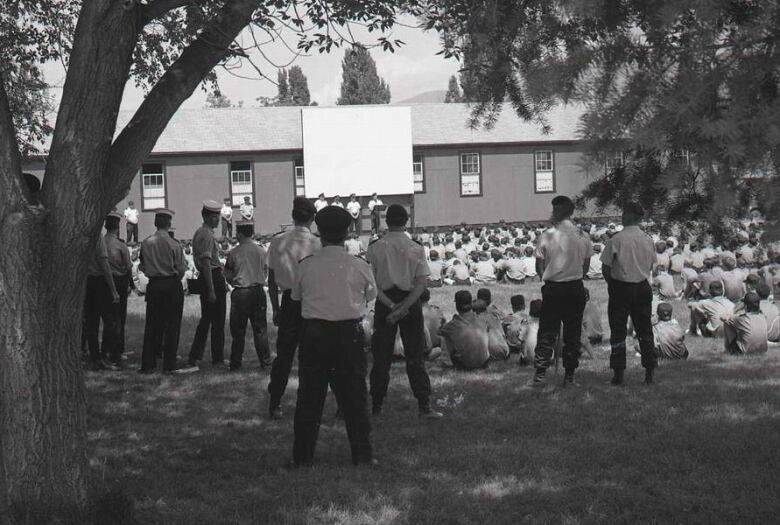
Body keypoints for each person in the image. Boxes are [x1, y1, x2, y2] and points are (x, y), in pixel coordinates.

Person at [291, 205, 377, 467]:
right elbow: (370, 296)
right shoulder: (358, 265)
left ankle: (302, 457)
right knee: (355, 395)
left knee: (309, 396)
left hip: (314, 333)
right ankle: (362, 456)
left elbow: (296, 297)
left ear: (319, 231)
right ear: (349, 230)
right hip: (348, 334)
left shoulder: (306, 266)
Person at [367, 204, 442, 418]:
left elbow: (372, 284)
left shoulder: (375, 247)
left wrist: (392, 307)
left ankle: (377, 405)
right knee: (415, 355)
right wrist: (405, 307)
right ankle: (424, 405)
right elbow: (421, 284)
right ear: (406, 221)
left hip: (385, 302)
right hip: (410, 303)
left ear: (385, 221)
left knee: (381, 356)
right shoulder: (416, 247)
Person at [267, 197, 321, 420]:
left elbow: (270, 280)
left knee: (284, 356)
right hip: (311, 301)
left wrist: (276, 308)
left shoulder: (278, 241)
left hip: (289, 300)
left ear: (293, 215)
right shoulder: (318, 243)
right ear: (313, 218)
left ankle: (275, 402)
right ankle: (308, 402)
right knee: (313, 356)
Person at [532, 196, 593, 386]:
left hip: (554, 288)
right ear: (571, 212)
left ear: (556, 211)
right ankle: (569, 377)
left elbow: (539, 267)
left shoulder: (547, 235)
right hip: (575, 287)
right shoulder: (583, 236)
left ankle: (540, 376)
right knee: (572, 333)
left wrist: (548, 279)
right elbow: (585, 267)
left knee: (547, 332)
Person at [601, 202, 657, 385]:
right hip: (642, 286)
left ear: (629, 216)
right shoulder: (648, 239)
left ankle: (619, 373)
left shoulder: (616, 239)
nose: (622, 217)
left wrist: (614, 284)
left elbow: (606, 268)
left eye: (624, 214)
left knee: (618, 331)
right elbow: (650, 265)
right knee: (645, 330)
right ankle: (649, 372)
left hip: (621, 287)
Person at [138, 209, 189, 373]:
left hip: (154, 285)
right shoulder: (174, 244)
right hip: (171, 284)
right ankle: (169, 364)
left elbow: (143, 267)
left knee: (152, 325)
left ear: (155, 223)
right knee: (172, 325)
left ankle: (148, 363)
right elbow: (181, 269)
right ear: (169, 224)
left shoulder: (146, 243)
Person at [184, 200, 227, 372]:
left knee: (207, 320)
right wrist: (211, 289)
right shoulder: (207, 235)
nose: (217, 219)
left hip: (210, 276)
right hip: (212, 278)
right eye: (213, 216)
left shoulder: (201, 232)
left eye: (218, 215)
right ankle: (217, 359)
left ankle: (195, 356)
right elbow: (207, 263)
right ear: (206, 217)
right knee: (217, 321)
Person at [224, 220, 271, 371]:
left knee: (238, 331)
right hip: (258, 291)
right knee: (260, 329)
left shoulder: (234, 252)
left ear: (240, 233)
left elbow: (228, 274)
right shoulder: (261, 251)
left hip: (241, 292)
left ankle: (236, 363)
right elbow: (266, 270)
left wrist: (235, 280)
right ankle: (265, 362)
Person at [83, 217, 121, 370]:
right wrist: (113, 290)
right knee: (110, 321)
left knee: (92, 323)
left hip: (87, 282)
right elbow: (104, 263)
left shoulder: (83, 234)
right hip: (99, 281)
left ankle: (94, 356)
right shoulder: (97, 236)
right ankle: (103, 355)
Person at [104, 211, 132, 363]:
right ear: (117, 227)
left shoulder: (101, 243)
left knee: (108, 317)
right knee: (119, 318)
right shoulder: (120, 246)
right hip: (119, 282)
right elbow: (128, 267)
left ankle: (106, 349)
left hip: (104, 282)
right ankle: (118, 350)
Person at [439, 291, 490, 370]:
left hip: (466, 365)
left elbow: (439, 332)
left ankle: (446, 363)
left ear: (456, 305)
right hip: (485, 362)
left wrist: (442, 323)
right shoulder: (481, 319)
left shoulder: (451, 325)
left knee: (444, 338)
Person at [503, 294, 530, 364]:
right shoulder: (530, 317)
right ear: (524, 306)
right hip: (529, 346)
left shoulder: (508, 319)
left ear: (512, 307)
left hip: (513, 347)